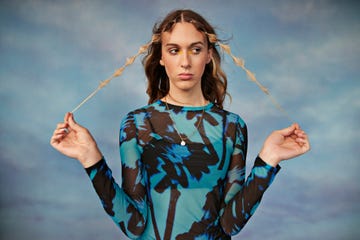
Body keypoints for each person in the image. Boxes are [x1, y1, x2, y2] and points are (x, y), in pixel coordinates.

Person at [50, 9, 310, 240]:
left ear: (208, 55)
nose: (185, 61)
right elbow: (134, 225)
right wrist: (91, 159)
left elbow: (231, 224)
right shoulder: (138, 124)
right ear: (162, 57)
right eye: (174, 50)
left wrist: (268, 160)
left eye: (195, 49)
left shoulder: (231, 126)